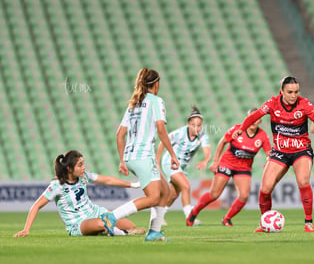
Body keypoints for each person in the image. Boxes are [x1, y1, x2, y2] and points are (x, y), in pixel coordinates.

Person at [231, 76, 314, 233]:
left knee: (303, 180)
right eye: (290, 92)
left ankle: (308, 222)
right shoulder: (272, 103)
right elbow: (255, 116)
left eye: (296, 92)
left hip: (301, 150)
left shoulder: (305, 105)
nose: (294, 95)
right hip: (280, 152)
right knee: (265, 188)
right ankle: (265, 223)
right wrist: (241, 128)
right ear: (282, 91)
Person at [100, 68, 179, 241]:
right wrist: (173, 155)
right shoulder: (156, 101)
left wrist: (122, 161)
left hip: (130, 155)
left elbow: (119, 134)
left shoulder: (133, 103)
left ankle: (154, 232)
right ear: (156, 84)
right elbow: (161, 129)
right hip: (144, 155)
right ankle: (111, 217)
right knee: (153, 198)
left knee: (165, 192)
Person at [14, 150, 145, 237]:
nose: (84, 167)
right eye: (80, 165)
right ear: (69, 169)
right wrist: (26, 229)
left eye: (83, 164)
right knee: (101, 223)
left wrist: (132, 185)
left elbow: (107, 180)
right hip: (78, 223)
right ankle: (121, 233)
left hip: (96, 212)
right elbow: (36, 205)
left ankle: (110, 230)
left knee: (130, 225)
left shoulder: (84, 176)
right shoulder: (57, 185)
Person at [187, 108, 271, 227]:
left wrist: (268, 163)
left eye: (256, 118)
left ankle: (227, 218)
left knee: (244, 196)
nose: (253, 121)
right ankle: (194, 213)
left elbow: (269, 154)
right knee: (214, 194)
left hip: (243, 168)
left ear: (260, 121)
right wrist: (215, 162)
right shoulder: (237, 129)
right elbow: (222, 142)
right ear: (246, 119)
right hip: (227, 163)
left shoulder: (262, 136)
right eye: (250, 118)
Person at [154, 105, 211, 225]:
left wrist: (205, 160)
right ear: (188, 124)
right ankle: (190, 217)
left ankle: (158, 216)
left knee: (174, 194)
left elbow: (207, 151)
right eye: (194, 125)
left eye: (199, 125)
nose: (197, 128)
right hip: (170, 162)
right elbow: (163, 142)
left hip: (183, 166)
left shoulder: (203, 136)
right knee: (186, 185)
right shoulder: (180, 133)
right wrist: (157, 162)